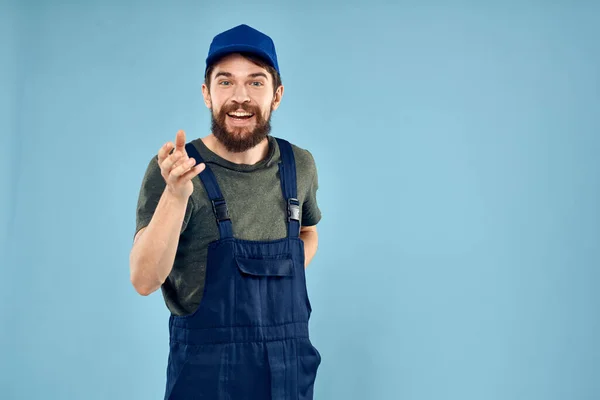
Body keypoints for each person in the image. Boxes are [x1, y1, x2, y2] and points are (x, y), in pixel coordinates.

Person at [129, 24, 322, 399]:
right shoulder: (176, 168)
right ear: (207, 94)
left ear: (276, 95)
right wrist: (175, 195)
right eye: (225, 82)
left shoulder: (299, 165)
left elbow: (308, 232)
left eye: (255, 82)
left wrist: (278, 274)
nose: (240, 97)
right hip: (206, 380)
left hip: (287, 377)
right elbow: (144, 280)